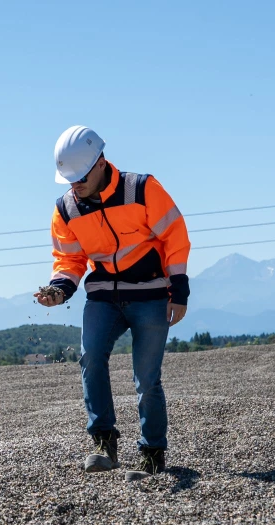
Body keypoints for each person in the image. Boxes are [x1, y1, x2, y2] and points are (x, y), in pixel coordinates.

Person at [34, 125, 191, 482]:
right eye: (68, 180)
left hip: (151, 293)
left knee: (146, 379)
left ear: (101, 162)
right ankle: (104, 443)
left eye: (80, 177)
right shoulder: (66, 209)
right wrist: (59, 289)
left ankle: (152, 453)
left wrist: (178, 291)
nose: (75, 185)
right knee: (90, 358)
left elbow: (174, 237)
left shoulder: (142, 189)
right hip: (103, 294)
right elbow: (69, 260)